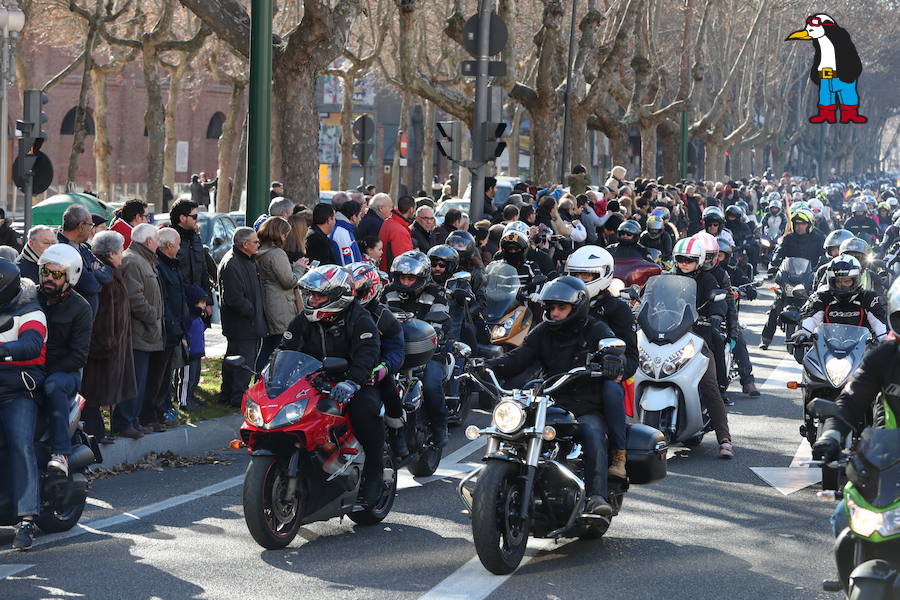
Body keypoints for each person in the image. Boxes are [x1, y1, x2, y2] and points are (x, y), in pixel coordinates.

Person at [485, 276, 623, 515]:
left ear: (576, 307)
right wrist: (487, 365)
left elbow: (613, 351)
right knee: (514, 429)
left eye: (562, 307)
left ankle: (596, 496)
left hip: (586, 405)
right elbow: (520, 357)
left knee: (591, 433)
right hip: (551, 400)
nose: (555, 313)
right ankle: (490, 488)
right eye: (551, 308)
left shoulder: (595, 328)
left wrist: (612, 360)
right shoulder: (543, 331)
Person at [279, 265, 384, 504]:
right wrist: (268, 375)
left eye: (319, 295)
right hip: (315, 381)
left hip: (353, 382)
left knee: (365, 412)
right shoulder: (304, 320)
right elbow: (285, 349)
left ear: (338, 296)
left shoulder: (359, 318)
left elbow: (368, 353)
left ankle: (374, 471)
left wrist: (352, 381)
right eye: (310, 295)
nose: (312, 300)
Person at [812, 277, 900, 536]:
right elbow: (852, 398)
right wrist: (832, 433)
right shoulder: (885, 357)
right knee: (845, 517)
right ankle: (846, 579)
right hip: (889, 459)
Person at [563, 247, 636, 478]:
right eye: (575, 275)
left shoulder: (618, 309)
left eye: (587, 276)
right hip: (562, 372)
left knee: (611, 390)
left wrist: (616, 365)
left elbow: (632, 356)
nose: (580, 281)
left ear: (603, 275)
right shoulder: (562, 303)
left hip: (598, 376)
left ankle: (618, 455)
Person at [669, 237, 735, 457]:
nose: (684, 263)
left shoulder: (708, 280)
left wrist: (716, 315)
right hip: (669, 338)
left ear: (698, 260)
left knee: (709, 384)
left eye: (689, 260)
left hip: (697, 338)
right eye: (680, 259)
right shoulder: (667, 278)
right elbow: (652, 299)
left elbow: (721, 302)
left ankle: (724, 439)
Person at [0, 260, 48, 550]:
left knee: (20, 444)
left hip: (18, 391)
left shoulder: (31, 311)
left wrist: (3, 351)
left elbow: (31, 343)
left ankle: (26, 520)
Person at [384, 250, 451, 447]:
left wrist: (436, 334)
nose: (405, 282)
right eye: (402, 278)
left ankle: (440, 427)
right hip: (394, 351)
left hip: (429, 352)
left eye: (410, 278)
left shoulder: (436, 294)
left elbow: (440, 322)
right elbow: (376, 317)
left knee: (430, 385)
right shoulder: (387, 293)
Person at [37, 244, 93, 476]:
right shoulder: (29, 297)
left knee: (53, 386)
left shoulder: (80, 308)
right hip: (28, 368)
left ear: (70, 275)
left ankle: (60, 453)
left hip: (64, 373)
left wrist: (47, 372)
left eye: (57, 274)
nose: (49, 278)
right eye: (45, 272)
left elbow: (78, 355)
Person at [347, 261, 407, 458]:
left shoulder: (383, 316)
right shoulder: (338, 311)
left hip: (373, 368)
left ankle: (397, 432)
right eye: (349, 290)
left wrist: (383, 368)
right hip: (343, 368)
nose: (353, 296)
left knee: (387, 387)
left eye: (357, 291)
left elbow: (396, 350)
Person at [81, 231, 136, 443]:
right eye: (120, 251)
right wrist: (106, 343)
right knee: (94, 391)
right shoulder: (107, 275)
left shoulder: (111, 271)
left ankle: (100, 431)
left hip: (111, 343)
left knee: (100, 389)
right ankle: (95, 432)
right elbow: (104, 313)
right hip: (104, 344)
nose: (122, 255)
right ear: (111, 253)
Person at [116, 224, 165, 437]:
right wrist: (152, 316)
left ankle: (133, 420)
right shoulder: (133, 261)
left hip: (146, 331)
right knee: (133, 379)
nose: (159, 243)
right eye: (156, 239)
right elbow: (134, 297)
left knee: (141, 380)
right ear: (148, 241)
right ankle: (124, 422)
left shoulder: (144, 259)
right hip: (138, 332)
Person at [761, 208, 826, 349]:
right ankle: (766, 339)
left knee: (818, 307)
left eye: (802, 223)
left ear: (809, 225)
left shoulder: (819, 237)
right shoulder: (789, 238)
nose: (799, 226)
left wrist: (822, 267)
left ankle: (820, 340)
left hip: (810, 277)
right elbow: (779, 252)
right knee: (776, 305)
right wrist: (773, 266)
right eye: (797, 223)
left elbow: (825, 255)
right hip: (790, 276)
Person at [218, 227, 266, 407]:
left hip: (246, 322)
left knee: (236, 359)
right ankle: (236, 397)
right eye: (255, 242)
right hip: (242, 324)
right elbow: (233, 298)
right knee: (242, 363)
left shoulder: (246, 260)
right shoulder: (232, 263)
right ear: (245, 244)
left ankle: (228, 395)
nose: (258, 245)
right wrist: (252, 311)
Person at [148, 227, 187, 429]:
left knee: (164, 377)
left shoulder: (171, 265)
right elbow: (165, 300)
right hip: (165, 329)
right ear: (169, 245)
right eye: (178, 244)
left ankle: (160, 412)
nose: (179, 248)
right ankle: (154, 414)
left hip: (173, 328)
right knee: (157, 376)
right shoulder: (160, 267)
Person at [255, 217, 306, 372]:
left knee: (268, 346)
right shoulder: (277, 253)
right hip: (281, 305)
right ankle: (268, 381)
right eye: (285, 234)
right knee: (279, 346)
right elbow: (289, 281)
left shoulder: (260, 252)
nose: (286, 237)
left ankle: (258, 378)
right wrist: (299, 268)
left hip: (268, 301)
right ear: (279, 234)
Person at [798, 254, 887, 340]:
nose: (842, 285)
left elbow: (879, 324)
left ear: (856, 279)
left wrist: (884, 339)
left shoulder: (868, 297)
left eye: (847, 281)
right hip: (826, 349)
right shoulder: (822, 296)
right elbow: (811, 318)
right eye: (838, 282)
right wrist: (803, 333)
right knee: (807, 353)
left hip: (862, 351)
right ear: (831, 281)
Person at [57, 204, 109, 317]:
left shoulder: (83, 247)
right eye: (91, 225)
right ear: (81, 226)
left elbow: (108, 273)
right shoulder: (61, 249)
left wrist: (92, 273)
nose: (91, 229)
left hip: (84, 318)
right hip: (70, 320)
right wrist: (95, 272)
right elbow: (91, 286)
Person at [170, 200, 212, 304]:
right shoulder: (170, 239)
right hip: (180, 301)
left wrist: (207, 301)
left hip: (199, 300)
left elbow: (203, 270)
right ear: (182, 218)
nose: (197, 220)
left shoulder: (195, 238)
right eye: (194, 216)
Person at [177, 285, 208, 412]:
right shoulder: (188, 318)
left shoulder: (199, 317)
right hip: (189, 354)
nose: (204, 305)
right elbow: (184, 331)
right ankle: (183, 401)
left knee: (195, 378)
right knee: (186, 379)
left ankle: (191, 396)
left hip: (197, 353)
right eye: (202, 302)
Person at [379, 194, 416, 270]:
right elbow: (404, 261)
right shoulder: (399, 230)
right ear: (411, 209)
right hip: (393, 275)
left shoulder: (388, 221)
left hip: (385, 271)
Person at [331, 200, 363, 266]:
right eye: (360, 215)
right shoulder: (341, 232)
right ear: (354, 217)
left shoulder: (345, 230)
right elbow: (346, 260)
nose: (360, 219)